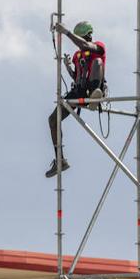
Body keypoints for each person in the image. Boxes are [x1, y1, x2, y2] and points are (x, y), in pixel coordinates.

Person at [45, 21, 106, 178]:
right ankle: (60, 159)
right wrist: (68, 68)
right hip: (79, 92)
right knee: (53, 120)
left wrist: (66, 32)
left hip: (93, 91)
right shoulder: (77, 56)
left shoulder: (98, 47)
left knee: (97, 62)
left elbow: (86, 46)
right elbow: (78, 76)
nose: (87, 38)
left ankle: (95, 96)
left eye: (86, 37)